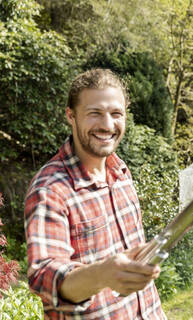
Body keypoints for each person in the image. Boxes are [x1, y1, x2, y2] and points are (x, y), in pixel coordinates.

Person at [24, 69, 167, 319]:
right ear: (71, 116)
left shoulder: (121, 173)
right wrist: (103, 274)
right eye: (95, 113)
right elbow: (44, 276)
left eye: (116, 114)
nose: (107, 125)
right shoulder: (50, 189)